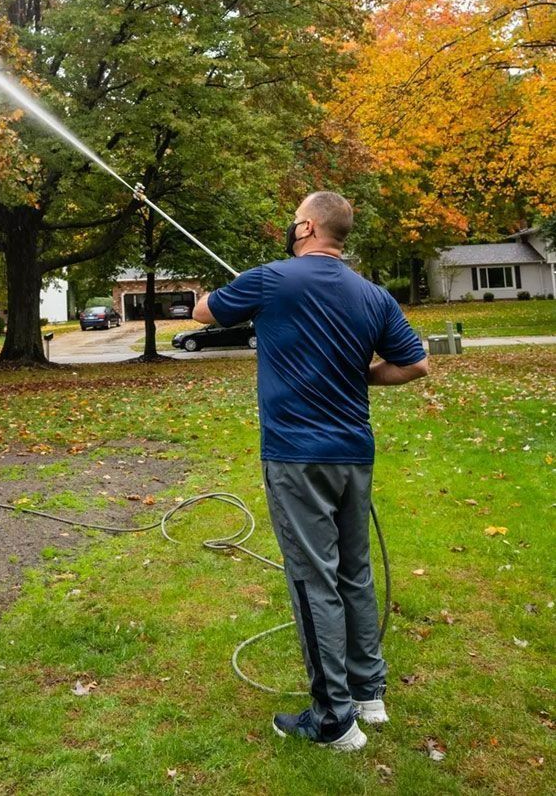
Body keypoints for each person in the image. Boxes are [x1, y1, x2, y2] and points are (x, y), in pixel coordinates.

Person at [193, 190, 428, 752]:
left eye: (293, 219)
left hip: (297, 456)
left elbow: (205, 313)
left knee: (312, 579)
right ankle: (370, 695)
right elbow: (415, 363)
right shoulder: (372, 294)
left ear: (305, 228)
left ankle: (334, 720)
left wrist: (204, 296)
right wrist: (358, 374)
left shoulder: (273, 278)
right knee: (354, 571)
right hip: (353, 455)